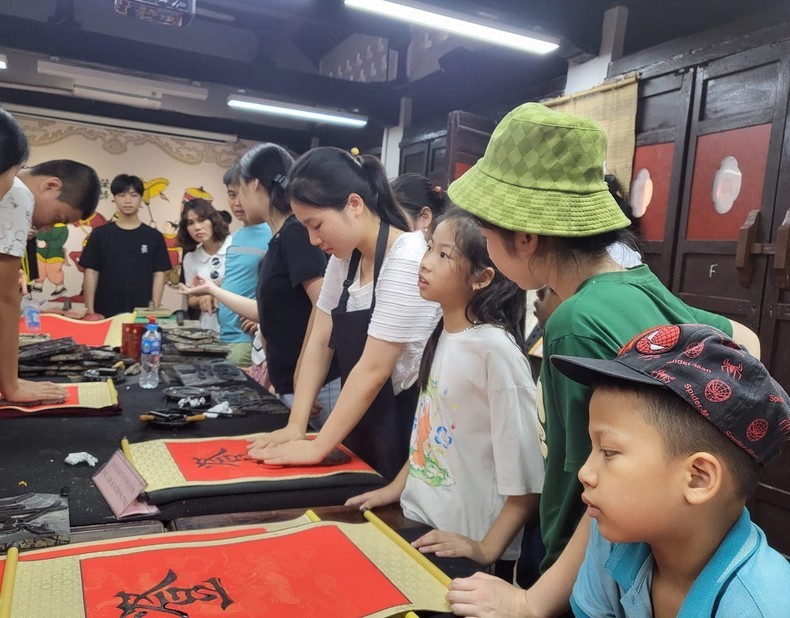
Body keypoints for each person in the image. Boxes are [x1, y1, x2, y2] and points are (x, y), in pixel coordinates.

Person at [443, 102, 760, 616]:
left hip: (589, 572)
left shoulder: (575, 321)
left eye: (486, 231)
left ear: (525, 238)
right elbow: (744, 339)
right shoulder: (640, 284)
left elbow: (589, 492)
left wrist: (533, 600)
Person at [346, 208, 544, 568]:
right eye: (428, 248)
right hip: (420, 521)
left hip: (463, 543)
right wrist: (395, 488)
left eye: (443, 254)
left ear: (481, 278)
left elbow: (527, 475)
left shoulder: (495, 351)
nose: (425, 263)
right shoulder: (443, 333)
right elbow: (430, 433)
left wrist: (486, 548)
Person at [552, 323, 790, 616]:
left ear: (698, 478)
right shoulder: (613, 541)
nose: (585, 474)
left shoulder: (763, 606)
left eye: (609, 452)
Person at [248, 147, 442, 480]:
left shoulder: (407, 257)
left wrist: (318, 446)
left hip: (407, 432)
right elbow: (320, 340)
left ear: (354, 204)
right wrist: (297, 424)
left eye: (316, 224)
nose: (312, 239)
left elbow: (374, 369)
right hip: (364, 425)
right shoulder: (345, 260)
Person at [179, 143, 341, 416]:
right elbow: (267, 313)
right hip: (292, 382)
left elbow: (325, 305)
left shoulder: (295, 233)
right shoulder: (278, 238)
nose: (237, 201)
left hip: (313, 386)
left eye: (239, 190)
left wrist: (303, 373)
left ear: (254, 185)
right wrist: (212, 290)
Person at [1, 109, 101, 402]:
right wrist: (12, 385)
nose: (47, 227)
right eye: (58, 217)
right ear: (51, 185)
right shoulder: (20, 196)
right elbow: (6, 298)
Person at [81, 174, 170, 319]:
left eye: (133, 195)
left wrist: (154, 310)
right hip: (104, 310)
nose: (128, 200)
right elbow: (91, 272)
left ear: (141, 198)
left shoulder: (154, 237)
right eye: (122, 195)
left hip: (141, 312)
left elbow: (159, 274)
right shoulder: (100, 234)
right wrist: (91, 311)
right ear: (114, 198)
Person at [218, 164, 271, 366]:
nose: (237, 202)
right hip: (224, 334)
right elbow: (239, 278)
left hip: (246, 339)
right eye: (231, 195)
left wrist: (263, 318)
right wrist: (211, 289)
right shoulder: (236, 237)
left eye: (242, 194)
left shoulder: (271, 232)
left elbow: (280, 287)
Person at [179, 198, 232, 331]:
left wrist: (212, 291)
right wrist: (203, 298)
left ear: (213, 220)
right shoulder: (190, 259)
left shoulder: (235, 245)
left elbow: (246, 281)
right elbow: (191, 299)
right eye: (190, 223)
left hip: (239, 325)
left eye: (202, 220)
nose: (197, 227)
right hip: (209, 327)